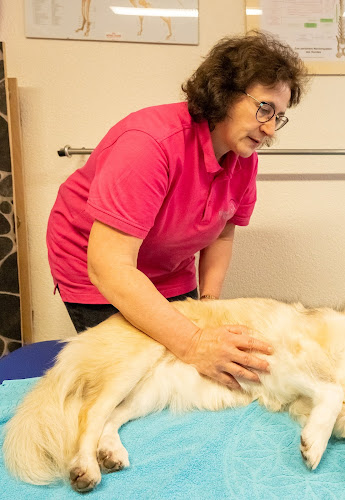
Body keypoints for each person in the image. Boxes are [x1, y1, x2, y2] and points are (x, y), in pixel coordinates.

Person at [46, 31, 308, 389]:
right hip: (95, 267)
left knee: (184, 375)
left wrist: (209, 308)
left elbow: (223, 231)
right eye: (264, 108)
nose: (269, 129)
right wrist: (194, 341)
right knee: (140, 377)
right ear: (225, 92)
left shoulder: (243, 158)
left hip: (167, 267)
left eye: (279, 116)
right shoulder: (149, 145)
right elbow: (108, 267)